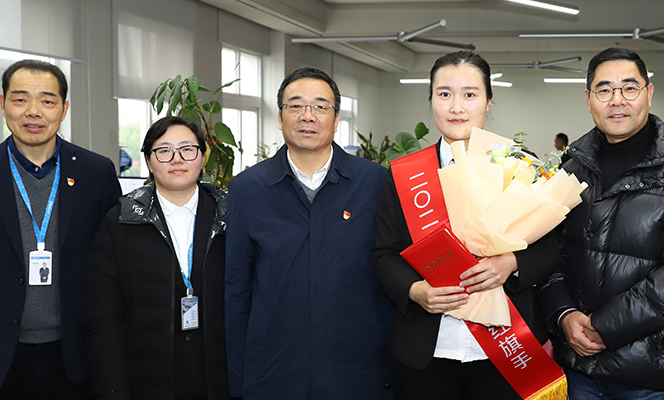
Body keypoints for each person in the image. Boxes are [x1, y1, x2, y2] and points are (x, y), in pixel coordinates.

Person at [0, 59, 121, 400]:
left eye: (47, 100)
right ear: (2, 105)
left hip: (76, 359)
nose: (33, 111)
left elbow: (114, 270)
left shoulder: (96, 173)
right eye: (20, 99)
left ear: (64, 109)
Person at [371, 50, 559, 400]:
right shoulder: (404, 174)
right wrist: (415, 291)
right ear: (431, 100)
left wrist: (512, 263)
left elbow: (552, 248)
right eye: (444, 94)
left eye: (470, 94)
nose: (456, 107)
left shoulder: (521, 165)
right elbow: (384, 253)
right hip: (426, 356)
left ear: (488, 101)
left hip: (506, 354)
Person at [536, 47, 664, 399]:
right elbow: (549, 254)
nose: (617, 100)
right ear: (588, 100)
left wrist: (604, 327)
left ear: (649, 94)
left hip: (649, 374)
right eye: (604, 90)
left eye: (629, 88)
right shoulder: (572, 170)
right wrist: (563, 315)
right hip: (578, 368)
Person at [224, 67, 391, 399]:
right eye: (296, 106)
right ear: (280, 117)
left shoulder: (375, 182)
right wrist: (240, 378)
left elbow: (389, 273)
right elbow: (237, 289)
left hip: (356, 368)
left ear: (336, 118)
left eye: (320, 106)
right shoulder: (248, 188)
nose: (307, 116)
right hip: (275, 370)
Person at [84, 116, 230, 399]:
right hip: (145, 379)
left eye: (187, 149)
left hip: (220, 377)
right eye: (164, 151)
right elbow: (103, 316)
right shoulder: (121, 221)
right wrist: (113, 389)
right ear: (149, 163)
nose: (177, 159)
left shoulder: (230, 218)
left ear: (202, 158)